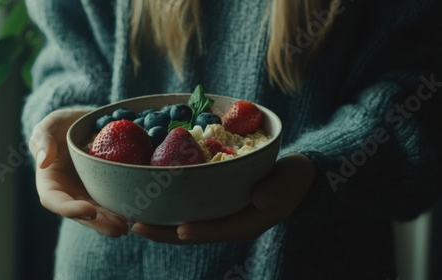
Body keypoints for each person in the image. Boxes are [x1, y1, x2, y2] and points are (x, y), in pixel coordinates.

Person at [23, 0, 442, 279]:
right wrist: (65, 121)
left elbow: (417, 93)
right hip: (107, 254)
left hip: (306, 260)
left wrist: (320, 166)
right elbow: (69, 57)